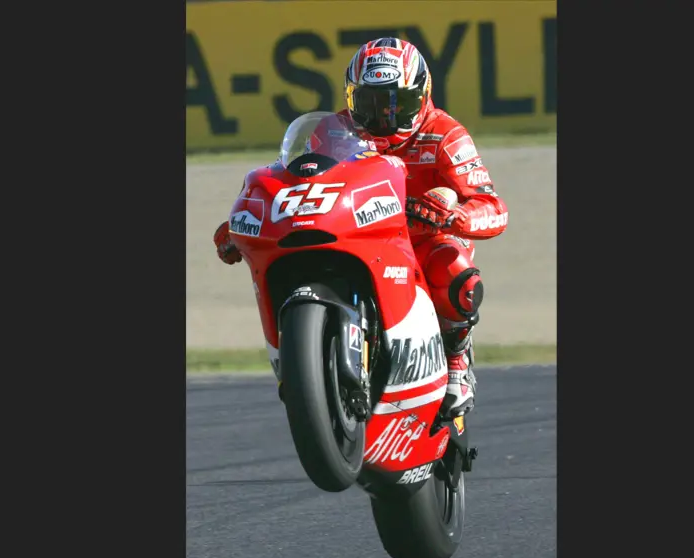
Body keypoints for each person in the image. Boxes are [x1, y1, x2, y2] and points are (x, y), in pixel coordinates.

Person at [214, 37, 509, 420]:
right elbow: (297, 182)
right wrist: (249, 224)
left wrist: (456, 216)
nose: (382, 118)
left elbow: (493, 207)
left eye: (396, 105)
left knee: (454, 272)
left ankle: (456, 360)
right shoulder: (333, 132)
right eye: (369, 105)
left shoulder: (446, 136)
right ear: (352, 98)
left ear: (422, 96)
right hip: (356, 234)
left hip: (422, 240)